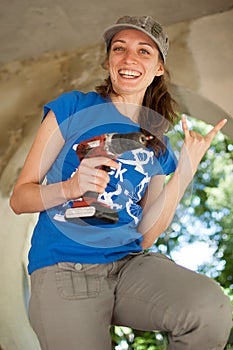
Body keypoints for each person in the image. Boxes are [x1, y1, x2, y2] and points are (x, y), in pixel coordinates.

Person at [10, 15, 232, 350]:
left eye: (144, 51)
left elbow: (145, 235)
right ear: (109, 60)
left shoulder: (158, 141)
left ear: (159, 67)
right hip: (65, 267)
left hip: (128, 266)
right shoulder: (73, 108)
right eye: (119, 48)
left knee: (207, 308)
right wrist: (69, 188)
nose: (129, 58)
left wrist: (184, 170)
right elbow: (20, 198)